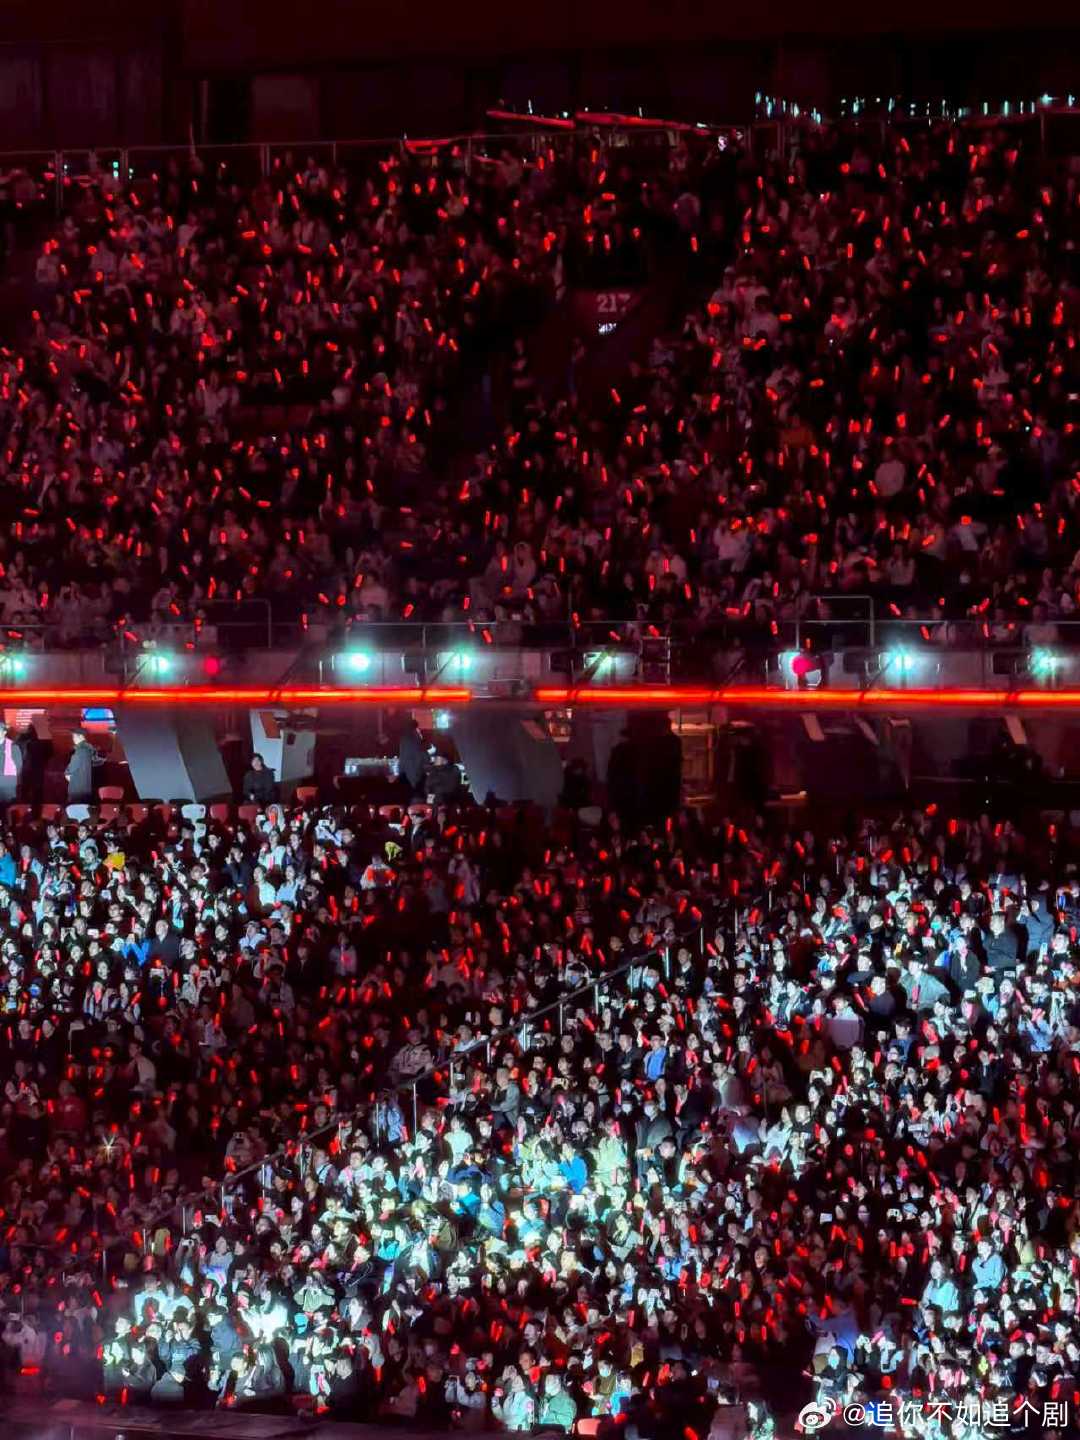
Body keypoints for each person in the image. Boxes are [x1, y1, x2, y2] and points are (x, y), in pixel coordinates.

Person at [63, 729, 96, 802]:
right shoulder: (88, 749)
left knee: (75, 809)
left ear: (81, 737)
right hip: (86, 788)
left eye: (74, 737)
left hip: (77, 790)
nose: (73, 739)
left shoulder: (80, 751)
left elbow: (71, 768)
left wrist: (66, 773)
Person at [0, 721, 22, 804]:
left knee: (7, 808)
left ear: (4, 732)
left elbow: (19, 767)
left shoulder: (13, 747)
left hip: (7, 784)